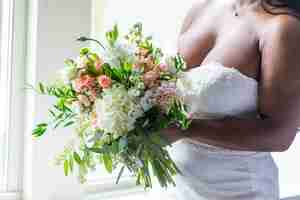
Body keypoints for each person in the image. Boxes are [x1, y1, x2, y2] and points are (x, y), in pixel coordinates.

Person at [160, 0, 300, 199]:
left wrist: (187, 128)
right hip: (175, 185)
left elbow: (280, 134)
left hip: (238, 191)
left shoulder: (282, 28)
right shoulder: (203, 8)